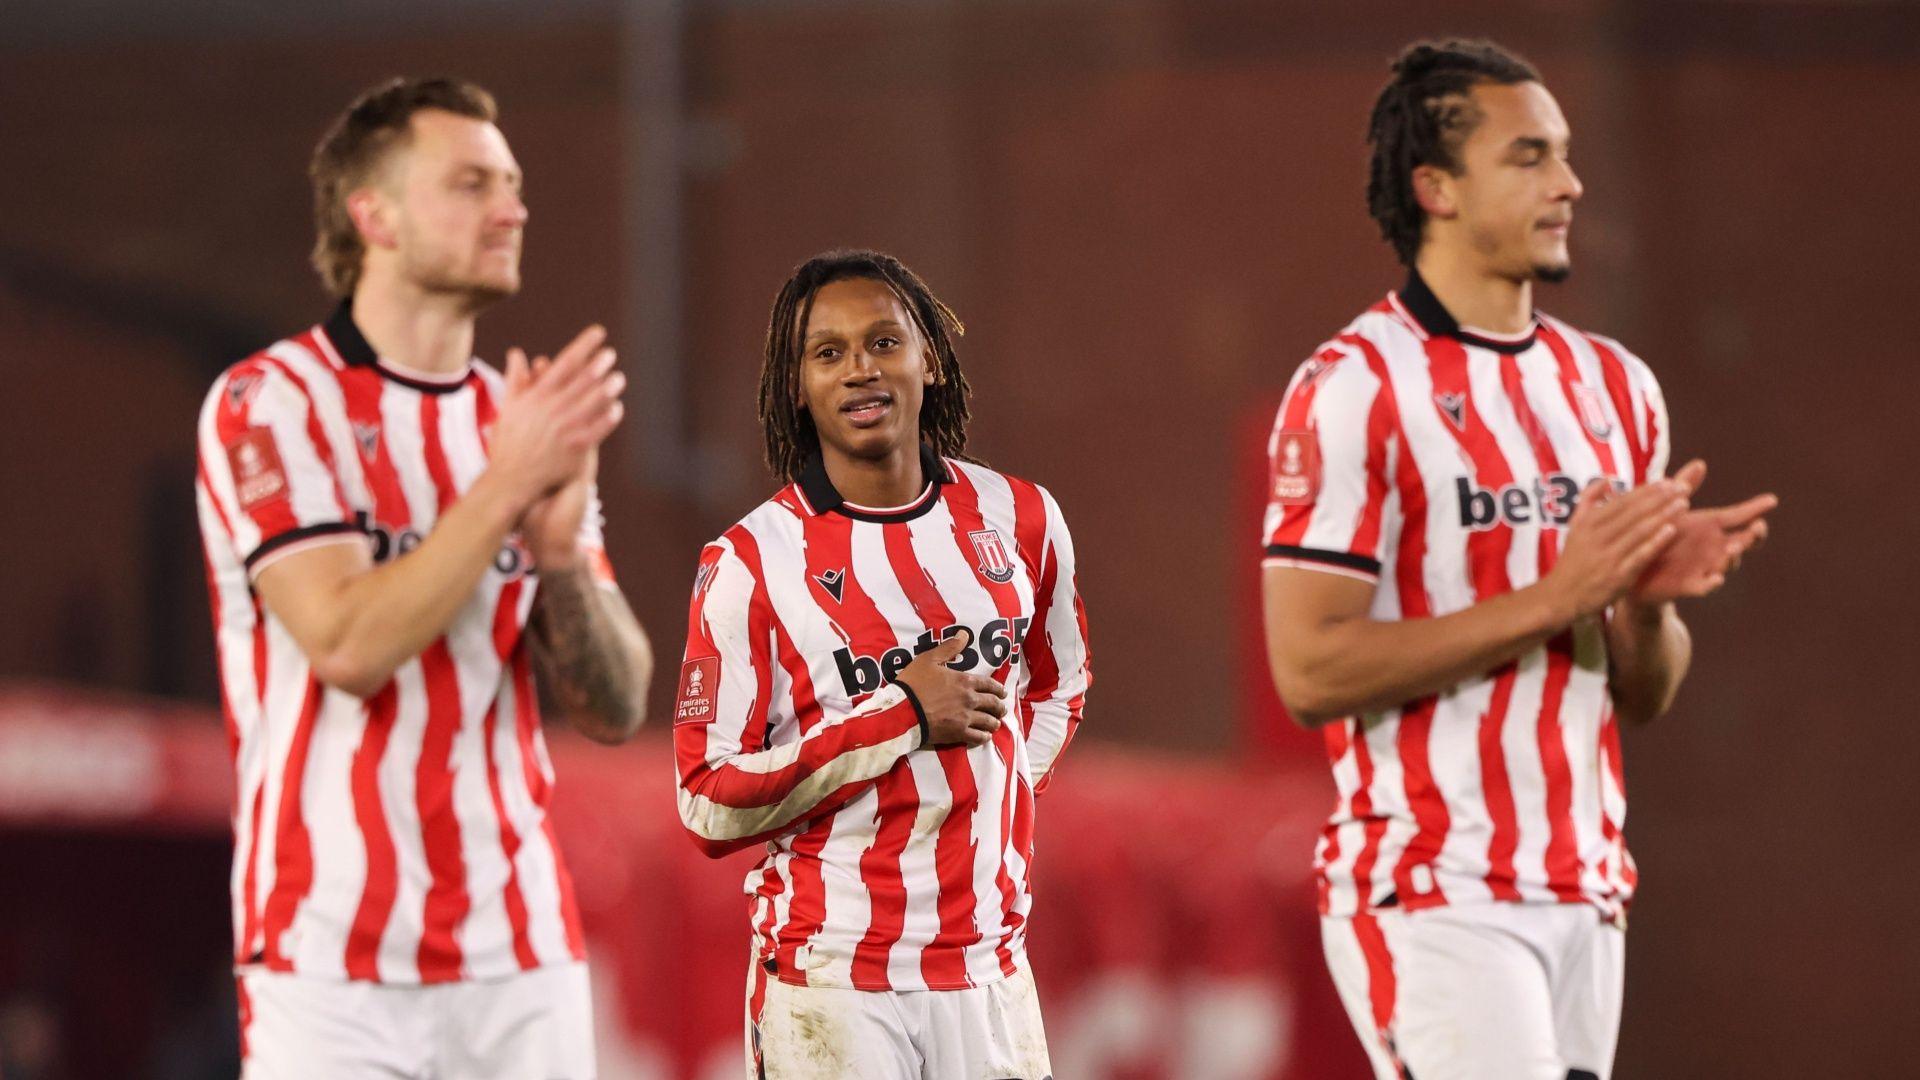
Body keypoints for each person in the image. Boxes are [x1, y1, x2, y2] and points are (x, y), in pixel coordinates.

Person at [1260, 39, 1776, 1080]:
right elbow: (1308, 673)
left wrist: (1642, 606)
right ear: (1435, 188)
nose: (1570, 183)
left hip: (1587, 890)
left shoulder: (1615, 387)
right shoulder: (1355, 386)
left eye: (1569, 155)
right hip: (1434, 890)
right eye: (1531, 157)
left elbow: (1645, 696)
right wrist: (1560, 595)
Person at [194, 76, 653, 1079]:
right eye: (473, 182)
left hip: (521, 955)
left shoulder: (517, 418)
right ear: (375, 215)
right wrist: (503, 489)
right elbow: (347, 644)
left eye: (516, 183)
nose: (513, 207)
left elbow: (614, 706)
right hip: (329, 967)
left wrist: (563, 554)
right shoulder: (270, 402)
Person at [673, 250, 1089, 1079]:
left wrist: (997, 788)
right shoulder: (751, 564)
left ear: (927, 358)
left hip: (991, 970)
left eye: (883, 342)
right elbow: (706, 801)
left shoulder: (1022, 517)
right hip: (835, 976)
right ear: (796, 387)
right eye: (828, 353)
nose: (860, 369)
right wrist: (900, 715)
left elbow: (1059, 682)